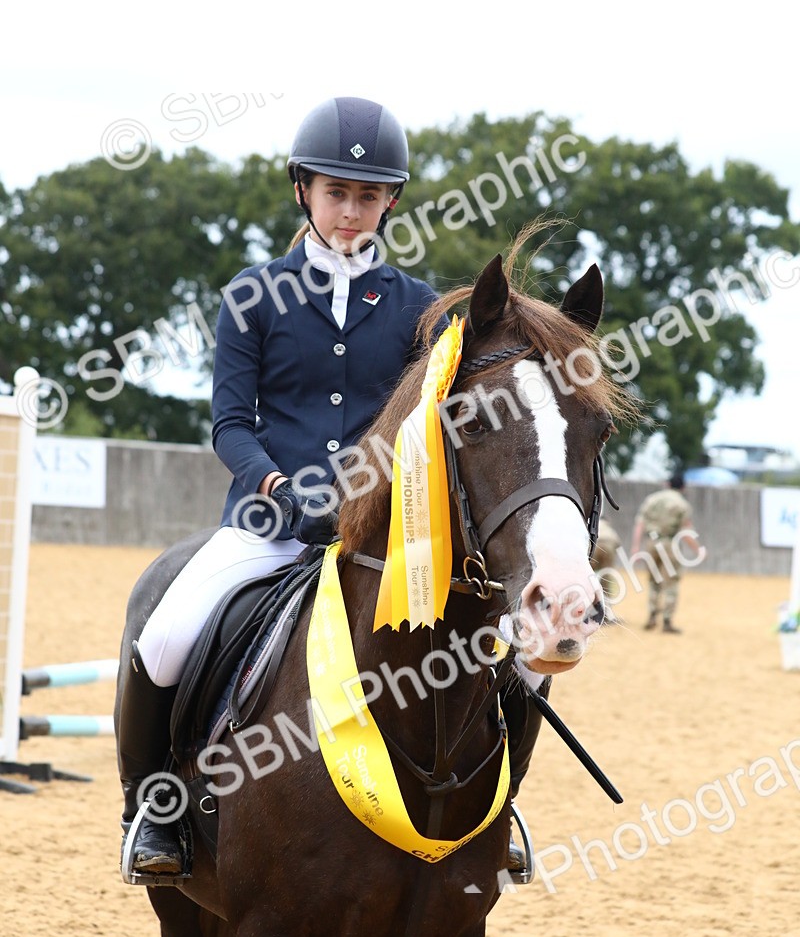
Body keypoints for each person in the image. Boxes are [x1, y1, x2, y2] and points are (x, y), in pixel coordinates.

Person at [116, 96, 542, 880]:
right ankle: (153, 810)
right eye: (337, 192)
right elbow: (229, 426)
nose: (352, 211)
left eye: (369, 195)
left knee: (502, 649)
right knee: (166, 633)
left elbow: (437, 422)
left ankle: (497, 808)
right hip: (269, 523)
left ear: (391, 202)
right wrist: (279, 487)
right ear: (304, 191)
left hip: (385, 537)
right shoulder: (253, 295)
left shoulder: (421, 309)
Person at [631, 472, 702, 633]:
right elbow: (686, 531)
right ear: (683, 488)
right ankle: (667, 621)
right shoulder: (682, 504)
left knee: (653, 581)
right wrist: (697, 549)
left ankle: (651, 616)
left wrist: (635, 547)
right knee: (671, 583)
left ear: (667, 484)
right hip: (670, 544)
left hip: (651, 543)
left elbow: (640, 524)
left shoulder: (652, 499)